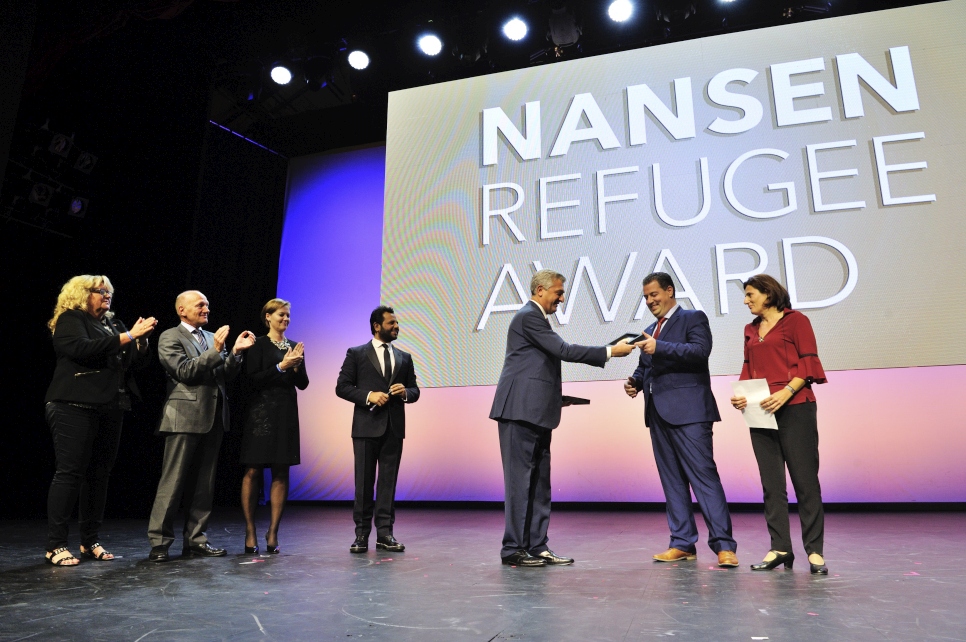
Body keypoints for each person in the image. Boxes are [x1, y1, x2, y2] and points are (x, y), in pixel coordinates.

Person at [490, 269, 636, 567]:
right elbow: (564, 350)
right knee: (520, 483)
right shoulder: (527, 316)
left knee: (540, 483)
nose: (561, 298)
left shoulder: (537, 320)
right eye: (558, 292)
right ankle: (513, 549)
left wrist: (555, 398)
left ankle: (536, 545)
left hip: (537, 411)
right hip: (518, 413)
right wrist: (610, 351)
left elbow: (535, 370)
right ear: (540, 290)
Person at [624, 272, 738, 568]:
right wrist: (635, 382)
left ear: (669, 291)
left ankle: (724, 546)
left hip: (690, 413)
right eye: (646, 297)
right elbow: (645, 366)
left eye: (654, 295)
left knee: (704, 477)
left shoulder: (693, 318)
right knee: (672, 482)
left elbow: (700, 352)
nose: (650, 301)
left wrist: (659, 347)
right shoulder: (650, 329)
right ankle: (682, 542)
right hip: (657, 413)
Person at [43, 275, 157, 565]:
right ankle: (55, 545)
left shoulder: (113, 324)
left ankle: (89, 540)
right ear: (82, 294)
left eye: (109, 292)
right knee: (70, 473)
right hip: (73, 403)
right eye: (100, 291)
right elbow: (78, 349)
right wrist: (129, 336)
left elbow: (131, 360)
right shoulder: (71, 318)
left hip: (110, 405)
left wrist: (140, 342)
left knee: (99, 475)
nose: (107, 296)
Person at [729, 274, 829, 574]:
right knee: (772, 485)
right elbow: (748, 369)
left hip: (796, 407)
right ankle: (780, 548)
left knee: (805, 482)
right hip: (760, 411)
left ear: (768, 294)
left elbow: (809, 361)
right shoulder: (750, 329)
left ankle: (814, 551)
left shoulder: (796, 321)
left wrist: (786, 391)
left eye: (750, 295)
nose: (746, 301)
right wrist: (741, 396)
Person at [147, 290, 255, 562]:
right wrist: (217, 351)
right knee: (172, 483)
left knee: (204, 486)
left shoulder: (209, 338)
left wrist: (237, 354)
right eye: (200, 304)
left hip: (214, 416)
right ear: (182, 310)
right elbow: (184, 371)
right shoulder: (170, 337)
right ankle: (160, 543)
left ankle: (196, 540)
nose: (206, 308)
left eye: (207, 304)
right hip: (183, 417)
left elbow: (225, 374)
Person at [335, 306, 420, 554]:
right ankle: (361, 535)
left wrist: (405, 392)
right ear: (376, 326)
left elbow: (415, 391)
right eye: (391, 323)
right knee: (363, 483)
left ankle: (385, 534)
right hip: (365, 427)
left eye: (396, 323)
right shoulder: (357, 353)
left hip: (394, 428)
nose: (396, 327)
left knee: (388, 483)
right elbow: (342, 387)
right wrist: (369, 395)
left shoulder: (404, 357)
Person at [239, 298, 308, 555]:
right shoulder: (257, 344)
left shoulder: (293, 346)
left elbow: (303, 384)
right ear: (267, 316)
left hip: (286, 414)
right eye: (281, 314)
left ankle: (273, 531)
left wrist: (296, 365)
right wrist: (281, 366)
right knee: (253, 470)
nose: (286, 319)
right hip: (261, 414)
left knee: (281, 471)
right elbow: (251, 380)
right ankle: (249, 530)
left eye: (288, 315)